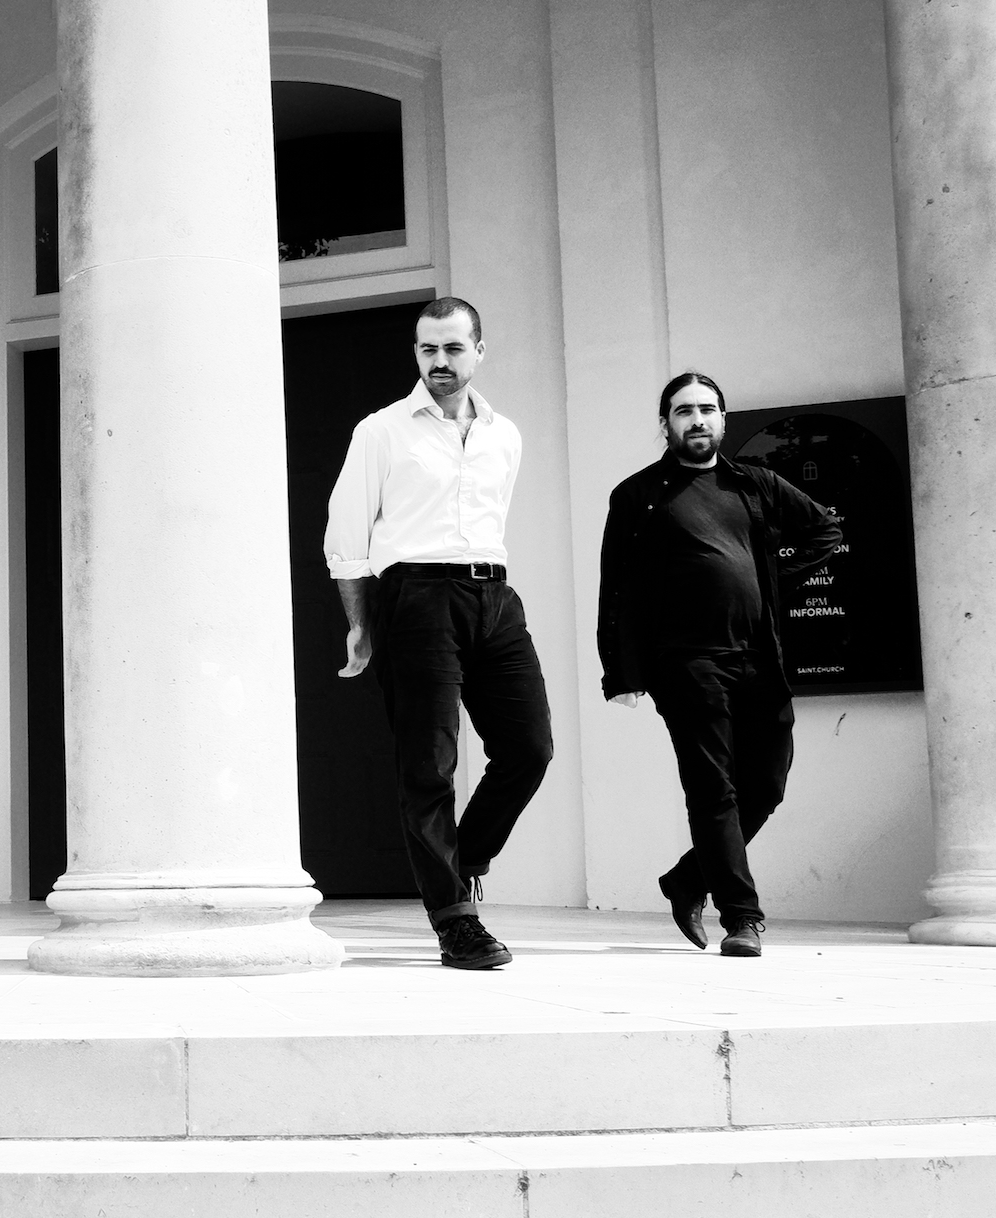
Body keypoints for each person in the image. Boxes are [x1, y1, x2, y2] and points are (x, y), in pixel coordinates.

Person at [324, 296, 553, 971]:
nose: (440, 362)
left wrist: (492, 596)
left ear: (480, 351)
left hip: (494, 594)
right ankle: (456, 921)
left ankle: (468, 852)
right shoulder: (381, 431)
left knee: (529, 747)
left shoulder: (504, 435)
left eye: (454, 348)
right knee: (429, 766)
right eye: (428, 349)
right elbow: (348, 539)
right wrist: (362, 624)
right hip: (416, 597)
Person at [597, 372, 842, 958]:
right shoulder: (638, 495)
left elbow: (825, 530)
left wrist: (768, 576)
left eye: (708, 410)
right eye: (684, 411)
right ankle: (743, 917)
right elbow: (617, 589)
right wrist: (622, 672)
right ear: (666, 425)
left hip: (759, 658)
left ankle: (686, 880)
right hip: (684, 664)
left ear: (723, 421)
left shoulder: (754, 484)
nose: (697, 420)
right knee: (713, 791)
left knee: (766, 785)